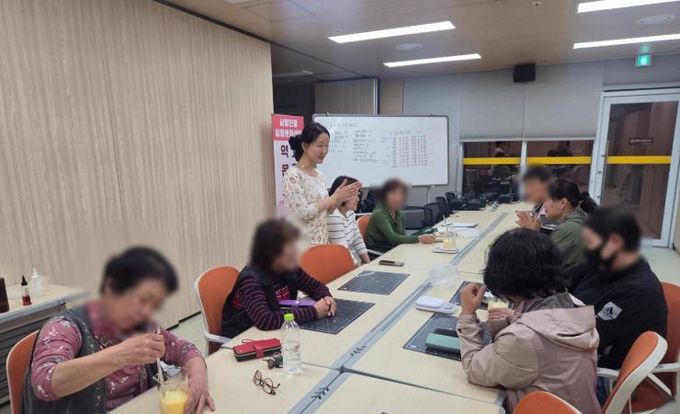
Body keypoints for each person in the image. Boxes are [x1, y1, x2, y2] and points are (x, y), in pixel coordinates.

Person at [25, 247, 214, 414]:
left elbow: (183, 348)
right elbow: (44, 382)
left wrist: (198, 377)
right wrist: (121, 355)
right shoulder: (66, 327)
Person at [457, 228, 600, 414]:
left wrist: (467, 314)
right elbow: (545, 331)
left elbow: (473, 368)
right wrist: (514, 318)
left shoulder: (523, 338)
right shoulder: (573, 304)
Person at [571, 207, 667, 371]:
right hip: (578, 353)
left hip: (603, 373)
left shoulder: (638, 292)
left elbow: (587, 337)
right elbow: (560, 282)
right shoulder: (602, 265)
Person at [222, 218, 336, 338]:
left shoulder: (289, 267)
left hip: (280, 332)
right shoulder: (250, 280)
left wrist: (327, 299)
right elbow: (265, 320)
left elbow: (315, 286)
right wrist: (314, 312)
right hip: (246, 338)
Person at [283, 122, 361, 246]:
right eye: (320, 145)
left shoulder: (319, 175)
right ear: (305, 146)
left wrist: (337, 200)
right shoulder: (293, 174)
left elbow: (325, 212)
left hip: (322, 244)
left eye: (327, 146)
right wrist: (332, 199)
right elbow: (301, 213)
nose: (324, 151)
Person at [521, 178, 597, 271]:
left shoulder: (568, 228)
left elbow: (542, 262)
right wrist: (537, 232)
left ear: (563, 203)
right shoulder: (579, 218)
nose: (543, 206)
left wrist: (532, 235)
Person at [364, 178, 436, 253]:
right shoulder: (379, 213)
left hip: (395, 249)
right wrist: (420, 238)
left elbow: (401, 237)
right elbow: (393, 239)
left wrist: (422, 236)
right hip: (380, 252)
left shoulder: (400, 214)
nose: (397, 198)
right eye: (393, 193)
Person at [327, 175, 370, 265]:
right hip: (333, 264)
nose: (358, 199)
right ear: (342, 196)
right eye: (354, 196)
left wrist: (369, 264)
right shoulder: (333, 216)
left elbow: (357, 240)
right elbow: (342, 250)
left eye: (358, 195)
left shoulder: (350, 213)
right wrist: (359, 268)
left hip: (344, 260)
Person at [515, 165, 558, 233]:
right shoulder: (540, 204)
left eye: (531, 185)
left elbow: (552, 238)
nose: (528, 191)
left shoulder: (552, 209)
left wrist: (533, 231)